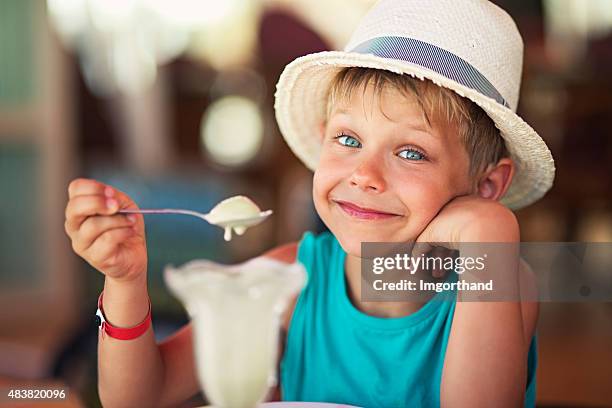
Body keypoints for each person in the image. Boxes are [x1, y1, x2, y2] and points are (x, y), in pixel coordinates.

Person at [64, 0, 554, 406]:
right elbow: (138, 397)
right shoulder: (287, 281)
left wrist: (490, 230)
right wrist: (126, 281)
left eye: (411, 152)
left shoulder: (503, 283)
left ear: (486, 187)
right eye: (348, 139)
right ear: (322, 140)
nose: (364, 174)